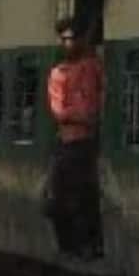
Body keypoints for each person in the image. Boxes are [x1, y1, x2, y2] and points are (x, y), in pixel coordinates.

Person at [47, 17, 104, 259]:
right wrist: (84, 115)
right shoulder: (58, 74)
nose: (66, 44)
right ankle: (70, 246)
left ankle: (90, 244)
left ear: (81, 40)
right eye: (63, 39)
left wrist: (81, 114)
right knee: (59, 198)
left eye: (71, 38)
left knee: (87, 198)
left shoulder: (93, 68)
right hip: (70, 143)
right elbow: (59, 111)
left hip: (88, 143)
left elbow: (101, 101)